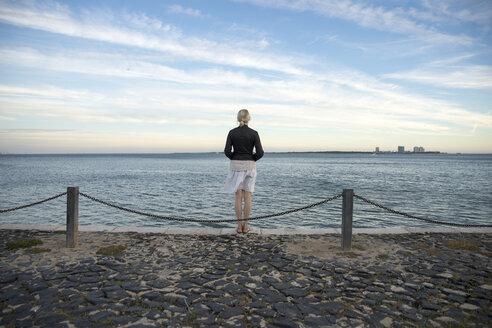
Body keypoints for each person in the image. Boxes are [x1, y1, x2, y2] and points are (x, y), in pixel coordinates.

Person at [224, 109, 264, 233]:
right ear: (248, 118)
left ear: (238, 118)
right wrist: (252, 159)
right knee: (248, 197)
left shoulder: (232, 132)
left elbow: (227, 151)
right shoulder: (254, 133)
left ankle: (239, 226)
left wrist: (235, 158)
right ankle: (246, 226)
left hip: (236, 165)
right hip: (250, 165)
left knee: (238, 197)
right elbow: (260, 152)